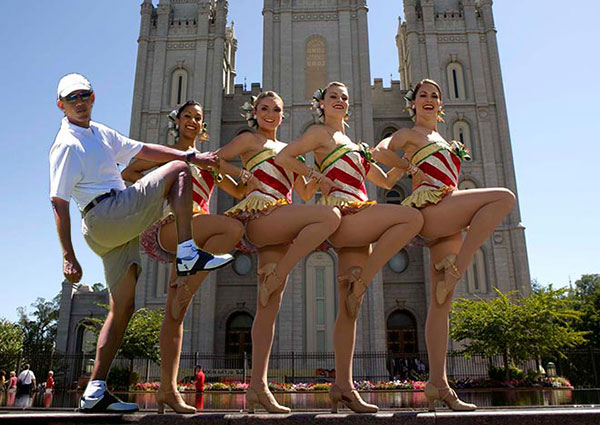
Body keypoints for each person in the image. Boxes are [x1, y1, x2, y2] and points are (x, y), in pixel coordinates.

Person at [49, 73, 234, 413]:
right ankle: (189, 252)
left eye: (84, 95)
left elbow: (143, 149)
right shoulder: (66, 144)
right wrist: (68, 256)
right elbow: (58, 202)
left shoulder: (100, 133)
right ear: (61, 105)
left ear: (93, 96)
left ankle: (95, 392)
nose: (79, 101)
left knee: (123, 308)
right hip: (106, 214)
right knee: (178, 169)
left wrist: (194, 157)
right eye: (71, 97)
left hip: (115, 228)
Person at [276, 81, 423, 413]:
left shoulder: (355, 144)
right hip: (345, 216)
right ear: (321, 104)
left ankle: (342, 385)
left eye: (344, 97)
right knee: (410, 220)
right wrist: (316, 176)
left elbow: (383, 182)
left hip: (361, 216)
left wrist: (406, 163)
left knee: (349, 310)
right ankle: (364, 280)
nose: (339, 101)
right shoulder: (318, 134)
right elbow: (286, 155)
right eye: (332, 97)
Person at [373, 78, 516, 411]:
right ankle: (459, 269)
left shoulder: (445, 140)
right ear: (413, 104)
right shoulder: (410, 134)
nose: (429, 99)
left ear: (441, 105)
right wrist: (404, 164)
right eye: (422, 95)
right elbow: (381, 150)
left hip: (450, 222)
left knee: (441, 305)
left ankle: (438, 383)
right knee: (503, 198)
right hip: (432, 209)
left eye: (434, 95)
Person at [217, 91, 342, 413]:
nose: (271, 114)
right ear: (254, 113)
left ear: (283, 116)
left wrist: (317, 172)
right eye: (264, 109)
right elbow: (215, 160)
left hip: (281, 222)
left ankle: (258, 387)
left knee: (268, 307)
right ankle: (282, 270)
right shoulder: (248, 141)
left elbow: (303, 192)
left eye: (277, 109)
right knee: (328, 216)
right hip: (261, 216)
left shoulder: (289, 152)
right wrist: (241, 180)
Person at [122, 101, 245, 414]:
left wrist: (251, 175)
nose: (193, 121)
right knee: (231, 229)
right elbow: (128, 171)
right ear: (176, 121)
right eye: (187, 116)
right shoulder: (166, 154)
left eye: (198, 118)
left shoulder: (206, 161)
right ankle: (186, 287)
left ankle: (168, 390)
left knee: (174, 316)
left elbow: (238, 189)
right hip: (173, 227)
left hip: (197, 230)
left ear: (203, 126)